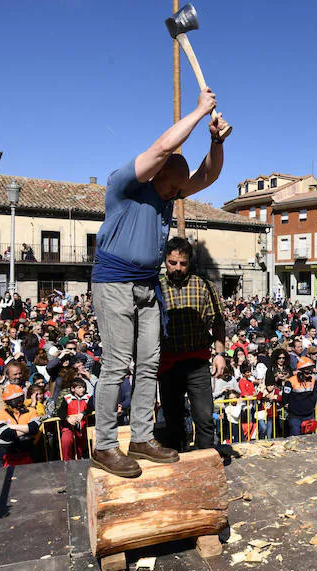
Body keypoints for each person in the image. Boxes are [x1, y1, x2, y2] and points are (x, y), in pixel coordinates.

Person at [89, 88, 229, 478]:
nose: (174, 195)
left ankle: (141, 438)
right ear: (159, 171)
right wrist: (200, 112)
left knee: (149, 362)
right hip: (114, 281)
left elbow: (209, 174)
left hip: (147, 285)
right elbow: (163, 144)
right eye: (171, 187)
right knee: (117, 364)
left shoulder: (170, 192)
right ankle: (103, 445)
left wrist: (215, 141)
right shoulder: (124, 184)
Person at [157, 237, 227, 452]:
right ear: (165, 261)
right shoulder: (155, 286)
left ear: (190, 262)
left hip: (197, 364)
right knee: (173, 421)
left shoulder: (205, 285)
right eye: (172, 262)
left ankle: (205, 460)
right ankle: (178, 465)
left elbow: (218, 322)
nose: (178, 268)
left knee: (205, 418)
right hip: (168, 365)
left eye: (183, 263)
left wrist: (220, 354)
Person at [0, 385, 41, 467]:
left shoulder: (31, 411)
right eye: (16, 399)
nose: (20, 401)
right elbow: (4, 433)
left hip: (26, 452)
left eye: (21, 397)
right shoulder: (0, 414)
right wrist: (26, 430)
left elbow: (34, 428)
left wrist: (12, 427)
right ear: (8, 401)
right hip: (5, 453)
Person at [282, 357, 317, 436]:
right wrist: (291, 407)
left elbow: (314, 395)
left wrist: (311, 406)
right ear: (301, 370)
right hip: (295, 417)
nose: (309, 371)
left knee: (309, 440)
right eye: (306, 369)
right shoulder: (290, 381)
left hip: (309, 415)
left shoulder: (312, 380)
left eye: (310, 369)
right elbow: (285, 397)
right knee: (295, 438)